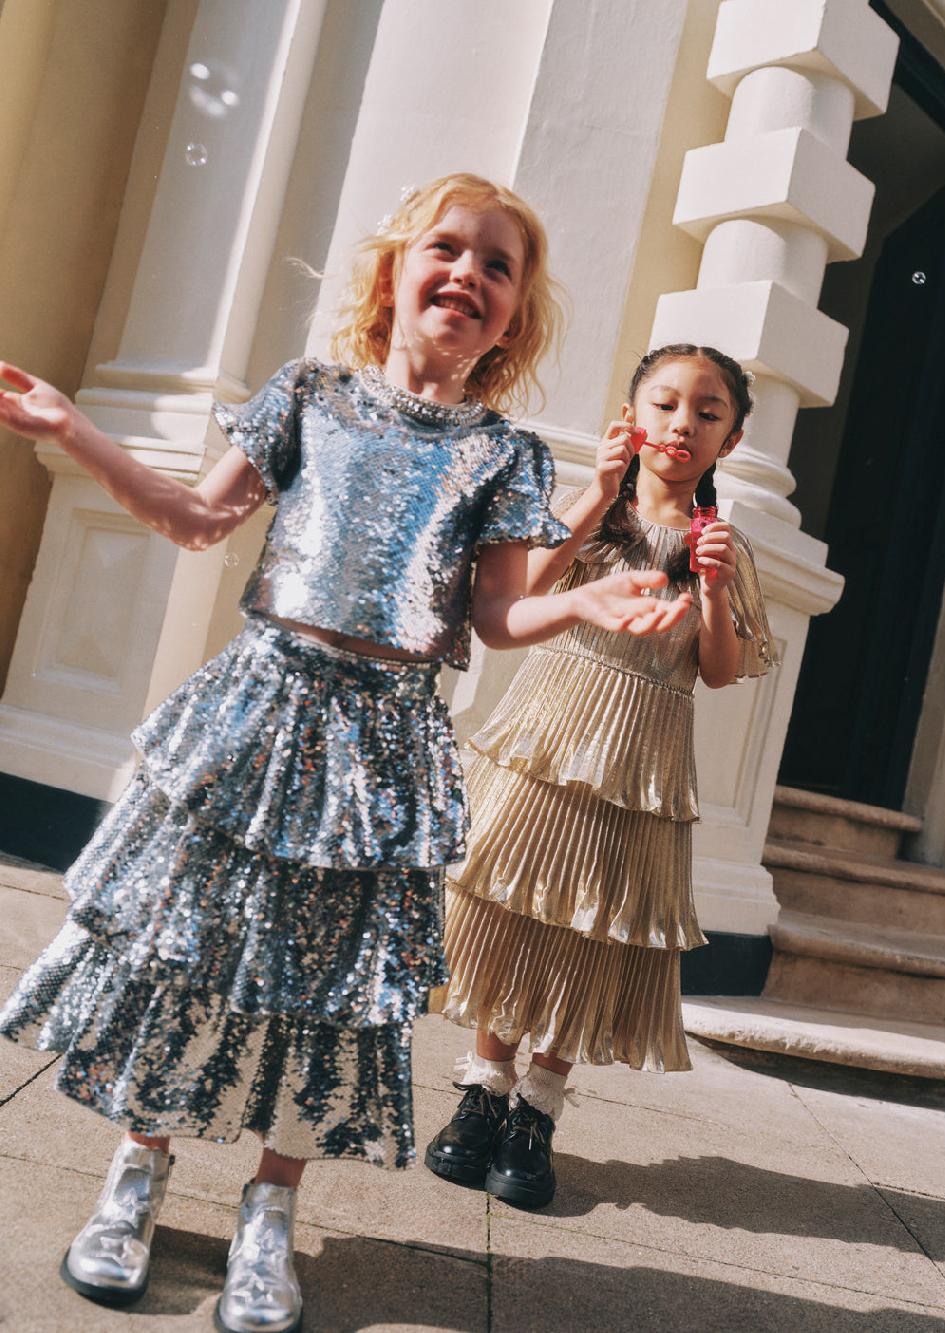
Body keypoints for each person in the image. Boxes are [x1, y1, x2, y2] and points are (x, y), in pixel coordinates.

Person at [0, 177, 692, 1333]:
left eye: (498, 266)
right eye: (448, 250)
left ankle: (269, 1211)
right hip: (259, 707)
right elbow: (194, 520)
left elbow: (493, 617)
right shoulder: (309, 396)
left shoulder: (503, 455)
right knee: (194, 942)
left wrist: (587, 604)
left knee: (327, 979)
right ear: (394, 274)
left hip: (385, 737)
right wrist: (74, 428)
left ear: (515, 316)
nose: (468, 275)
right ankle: (139, 1169)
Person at [426, 343, 777, 1208]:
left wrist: (717, 589)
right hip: (552, 732)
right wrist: (592, 492)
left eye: (707, 412)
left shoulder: (719, 545)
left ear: (729, 441)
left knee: (594, 921)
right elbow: (521, 599)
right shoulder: (594, 521)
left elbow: (722, 669)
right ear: (633, 418)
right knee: (516, 901)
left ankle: (538, 1106)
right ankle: (483, 1088)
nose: (682, 425)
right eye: (665, 404)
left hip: (642, 756)